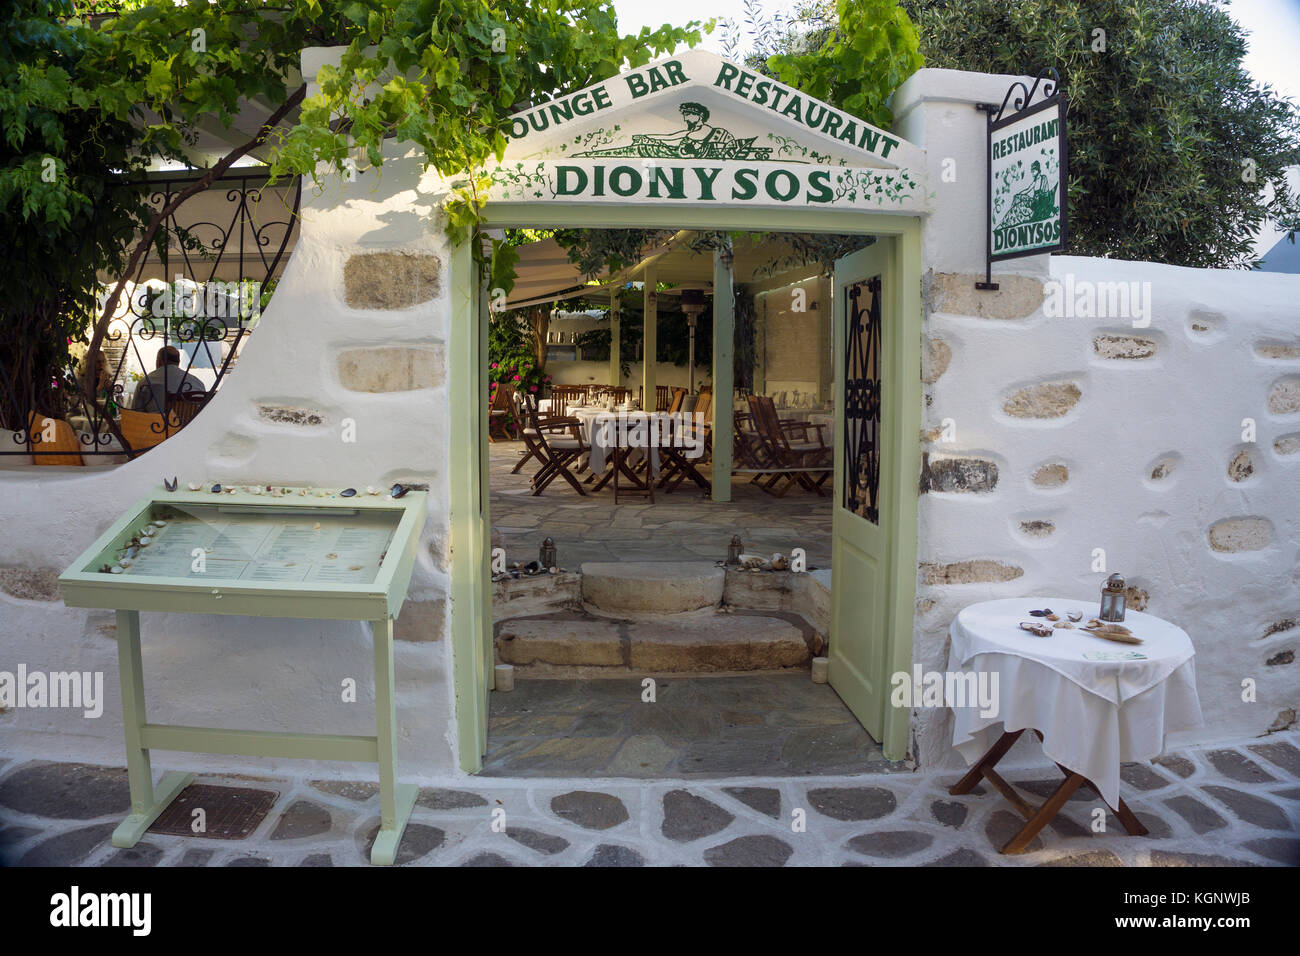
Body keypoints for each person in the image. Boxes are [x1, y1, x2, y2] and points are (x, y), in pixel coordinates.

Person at [131, 346, 205, 413]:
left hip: (156, 426)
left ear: (158, 361)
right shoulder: (198, 383)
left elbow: (135, 412)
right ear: (178, 362)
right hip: (190, 426)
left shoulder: (146, 382)